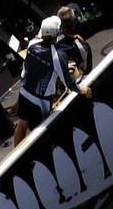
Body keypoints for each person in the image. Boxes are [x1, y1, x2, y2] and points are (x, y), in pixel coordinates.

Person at [14, 14, 77, 144]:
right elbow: (68, 83)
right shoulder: (57, 56)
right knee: (39, 132)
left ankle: (16, 153)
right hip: (40, 101)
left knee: (22, 124)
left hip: (24, 92)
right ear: (58, 33)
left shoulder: (32, 44)